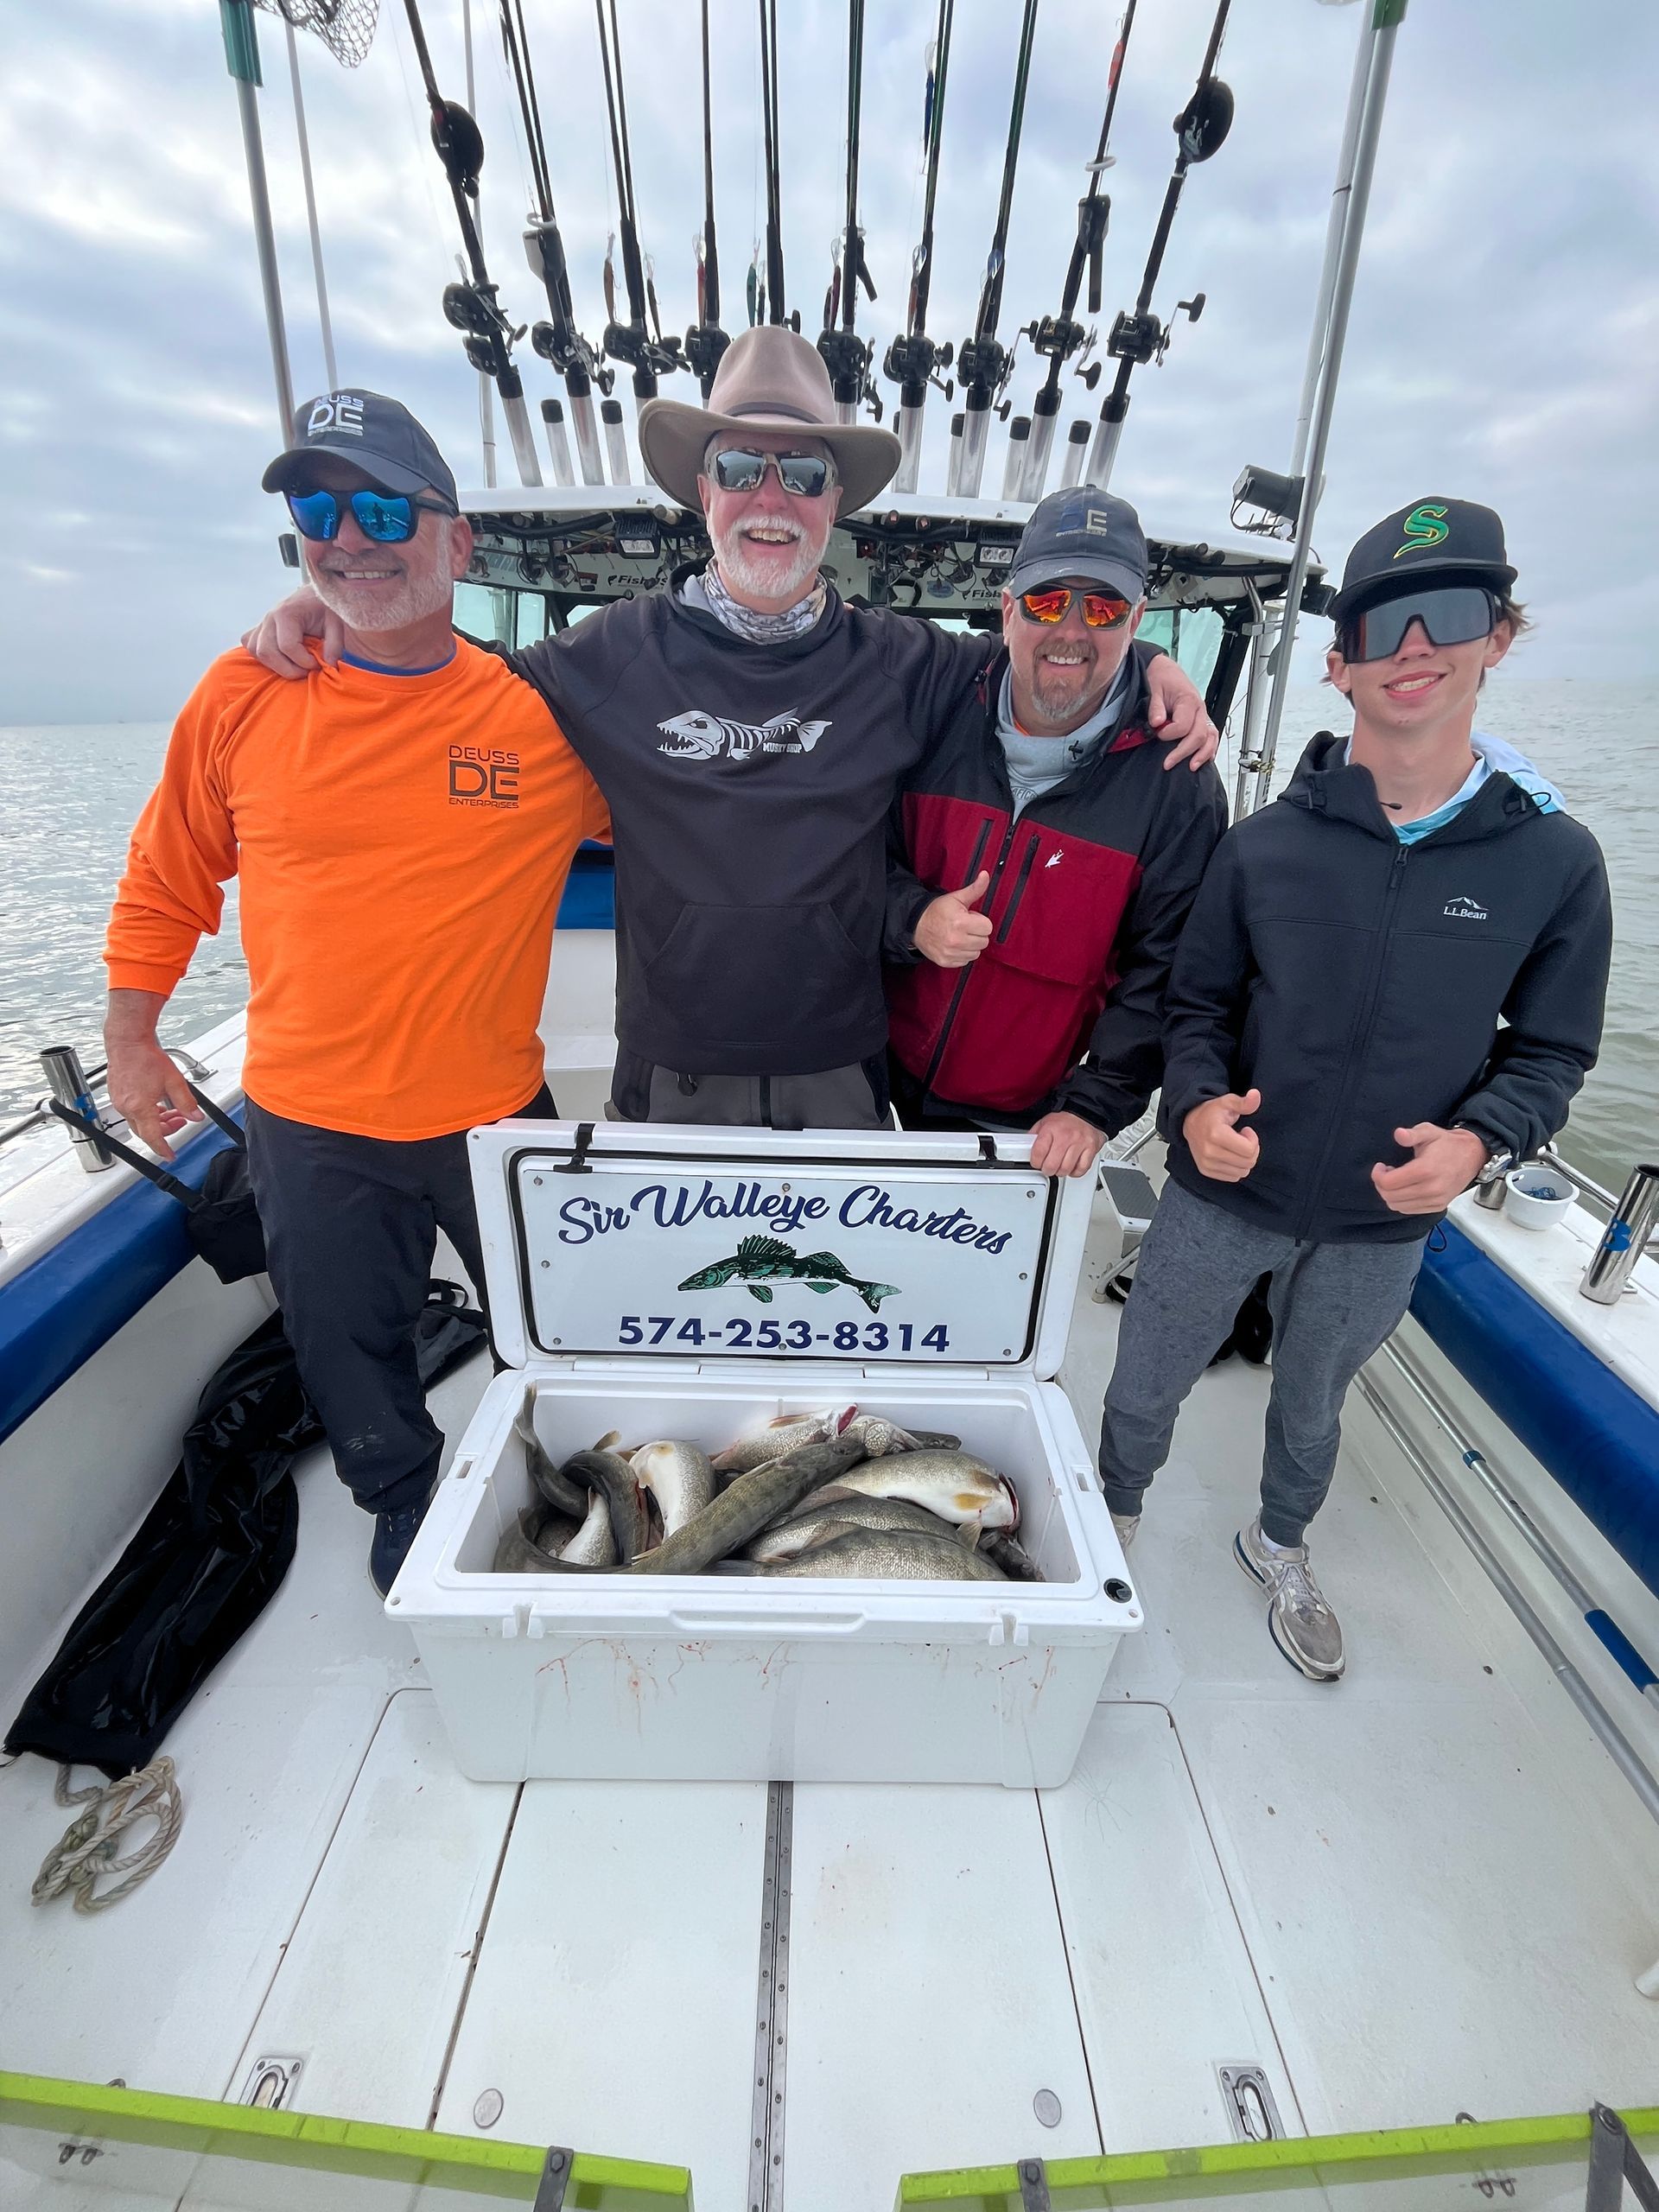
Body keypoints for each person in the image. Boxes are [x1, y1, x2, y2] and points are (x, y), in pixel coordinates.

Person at [244, 328, 1216, 1133]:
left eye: (804, 472)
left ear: (833, 503)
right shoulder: (608, 655)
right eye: (741, 467)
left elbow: (1051, 660)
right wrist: (347, 601)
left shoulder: (907, 662)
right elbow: (456, 680)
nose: (771, 497)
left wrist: (1150, 665)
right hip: (669, 1072)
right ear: (703, 492)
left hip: (841, 1072)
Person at [1095, 497, 1611, 1681]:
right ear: (1339, 666)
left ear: (1500, 636)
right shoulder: (1261, 845)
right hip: (1223, 1193)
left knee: (1315, 1402)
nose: (1414, 647)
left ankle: (1279, 1542)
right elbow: (1194, 1009)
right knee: (1145, 1377)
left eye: (1451, 614)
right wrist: (1196, 1107)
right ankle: (1114, 1516)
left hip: (1385, 1222)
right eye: (1382, 626)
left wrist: (1477, 1144)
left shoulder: (1557, 862)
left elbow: (1551, 1053)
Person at [104, 391, 609, 1594]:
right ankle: (402, 1497)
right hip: (309, 1118)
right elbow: (167, 872)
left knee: (563, 1322)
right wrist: (132, 1037)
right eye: (317, 510)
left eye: (384, 509)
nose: (348, 538)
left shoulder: (543, 719)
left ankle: (579, 1482)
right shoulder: (241, 691)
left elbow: (703, 804)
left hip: (495, 1109)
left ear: (458, 542)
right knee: (345, 1346)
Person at [883, 486, 1229, 1178]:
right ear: (1008, 609)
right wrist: (913, 918)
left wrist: (1094, 1105)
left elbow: (1165, 969)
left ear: (1135, 621)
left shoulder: (1178, 783)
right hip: (870, 1080)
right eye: (1047, 602)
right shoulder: (932, 706)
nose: (1071, 630)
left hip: (1021, 1123)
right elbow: (857, 854)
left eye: (1102, 608)